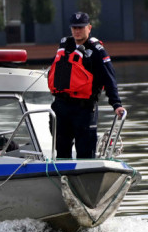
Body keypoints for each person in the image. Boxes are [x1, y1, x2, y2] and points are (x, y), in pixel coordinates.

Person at [48, 12, 126, 159]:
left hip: (83, 109)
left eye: (81, 27)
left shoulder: (97, 51)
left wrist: (116, 104)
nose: (77, 31)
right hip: (61, 107)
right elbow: (53, 72)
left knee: (85, 152)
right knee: (61, 150)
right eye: (74, 28)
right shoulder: (64, 47)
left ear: (89, 28)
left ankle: (86, 178)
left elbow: (109, 79)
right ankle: (63, 177)